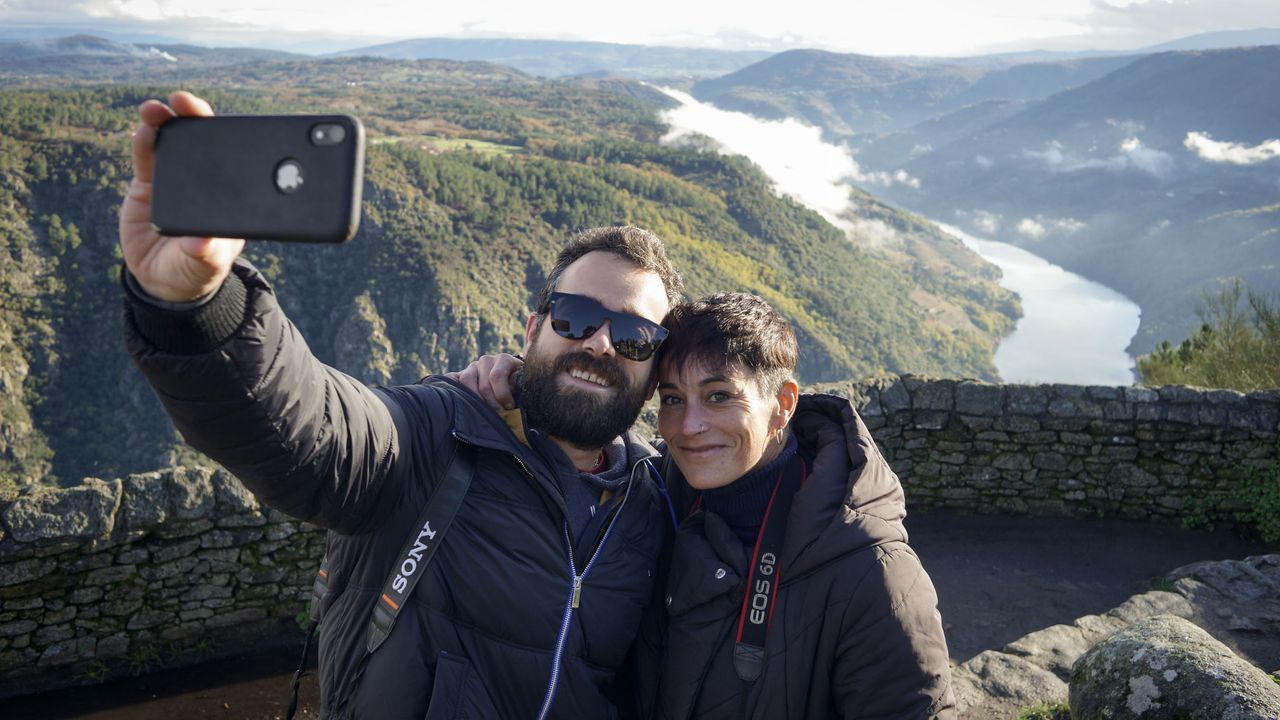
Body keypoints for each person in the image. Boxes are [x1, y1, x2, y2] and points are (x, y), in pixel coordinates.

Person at [119, 91, 683, 719]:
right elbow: (309, 424)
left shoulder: (657, 502)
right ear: (531, 332)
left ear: (656, 370)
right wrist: (197, 307)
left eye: (634, 336)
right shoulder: (434, 439)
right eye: (576, 317)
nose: (601, 343)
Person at [457, 293, 955, 718]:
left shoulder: (872, 574)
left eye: (718, 396)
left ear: (782, 404)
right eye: (672, 399)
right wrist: (520, 384)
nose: (688, 426)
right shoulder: (649, 499)